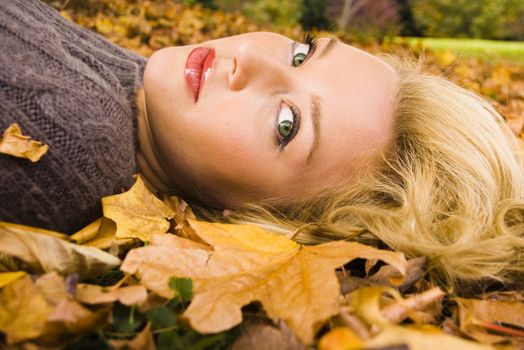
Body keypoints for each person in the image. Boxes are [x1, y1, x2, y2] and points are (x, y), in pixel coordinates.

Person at [1, 0, 523, 289]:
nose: (250, 55)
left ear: (255, 227)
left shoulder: (58, 144)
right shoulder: (147, 104)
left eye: (287, 124)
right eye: (302, 54)